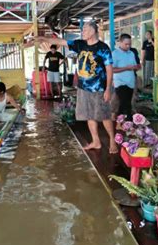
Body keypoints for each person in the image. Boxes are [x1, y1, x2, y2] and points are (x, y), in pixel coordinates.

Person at [35, 21, 117, 154]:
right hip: (83, 88)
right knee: (89, 115)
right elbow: (62, 42)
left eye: (84, 30)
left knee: (104, 115)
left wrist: (108, 89)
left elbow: (109, 69)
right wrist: (44, 38)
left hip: (100, 89)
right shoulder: (80, 44)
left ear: (92, 31)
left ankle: (112, 140)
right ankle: (96, 141)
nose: (82, 32)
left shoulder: (103, 48)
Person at [112, 34, 140, 120]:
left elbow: (136, 66)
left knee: (124, 103)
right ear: (120, 43)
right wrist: (126, 68)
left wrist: (136, 67)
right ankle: (129, 122)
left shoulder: (131, 53)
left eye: (129, 44)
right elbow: (112, 69)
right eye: (126, 44)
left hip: (130, 82)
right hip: (120, 82)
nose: (128, 46)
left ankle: (119, 122)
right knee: (126, 104)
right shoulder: (115, 54)